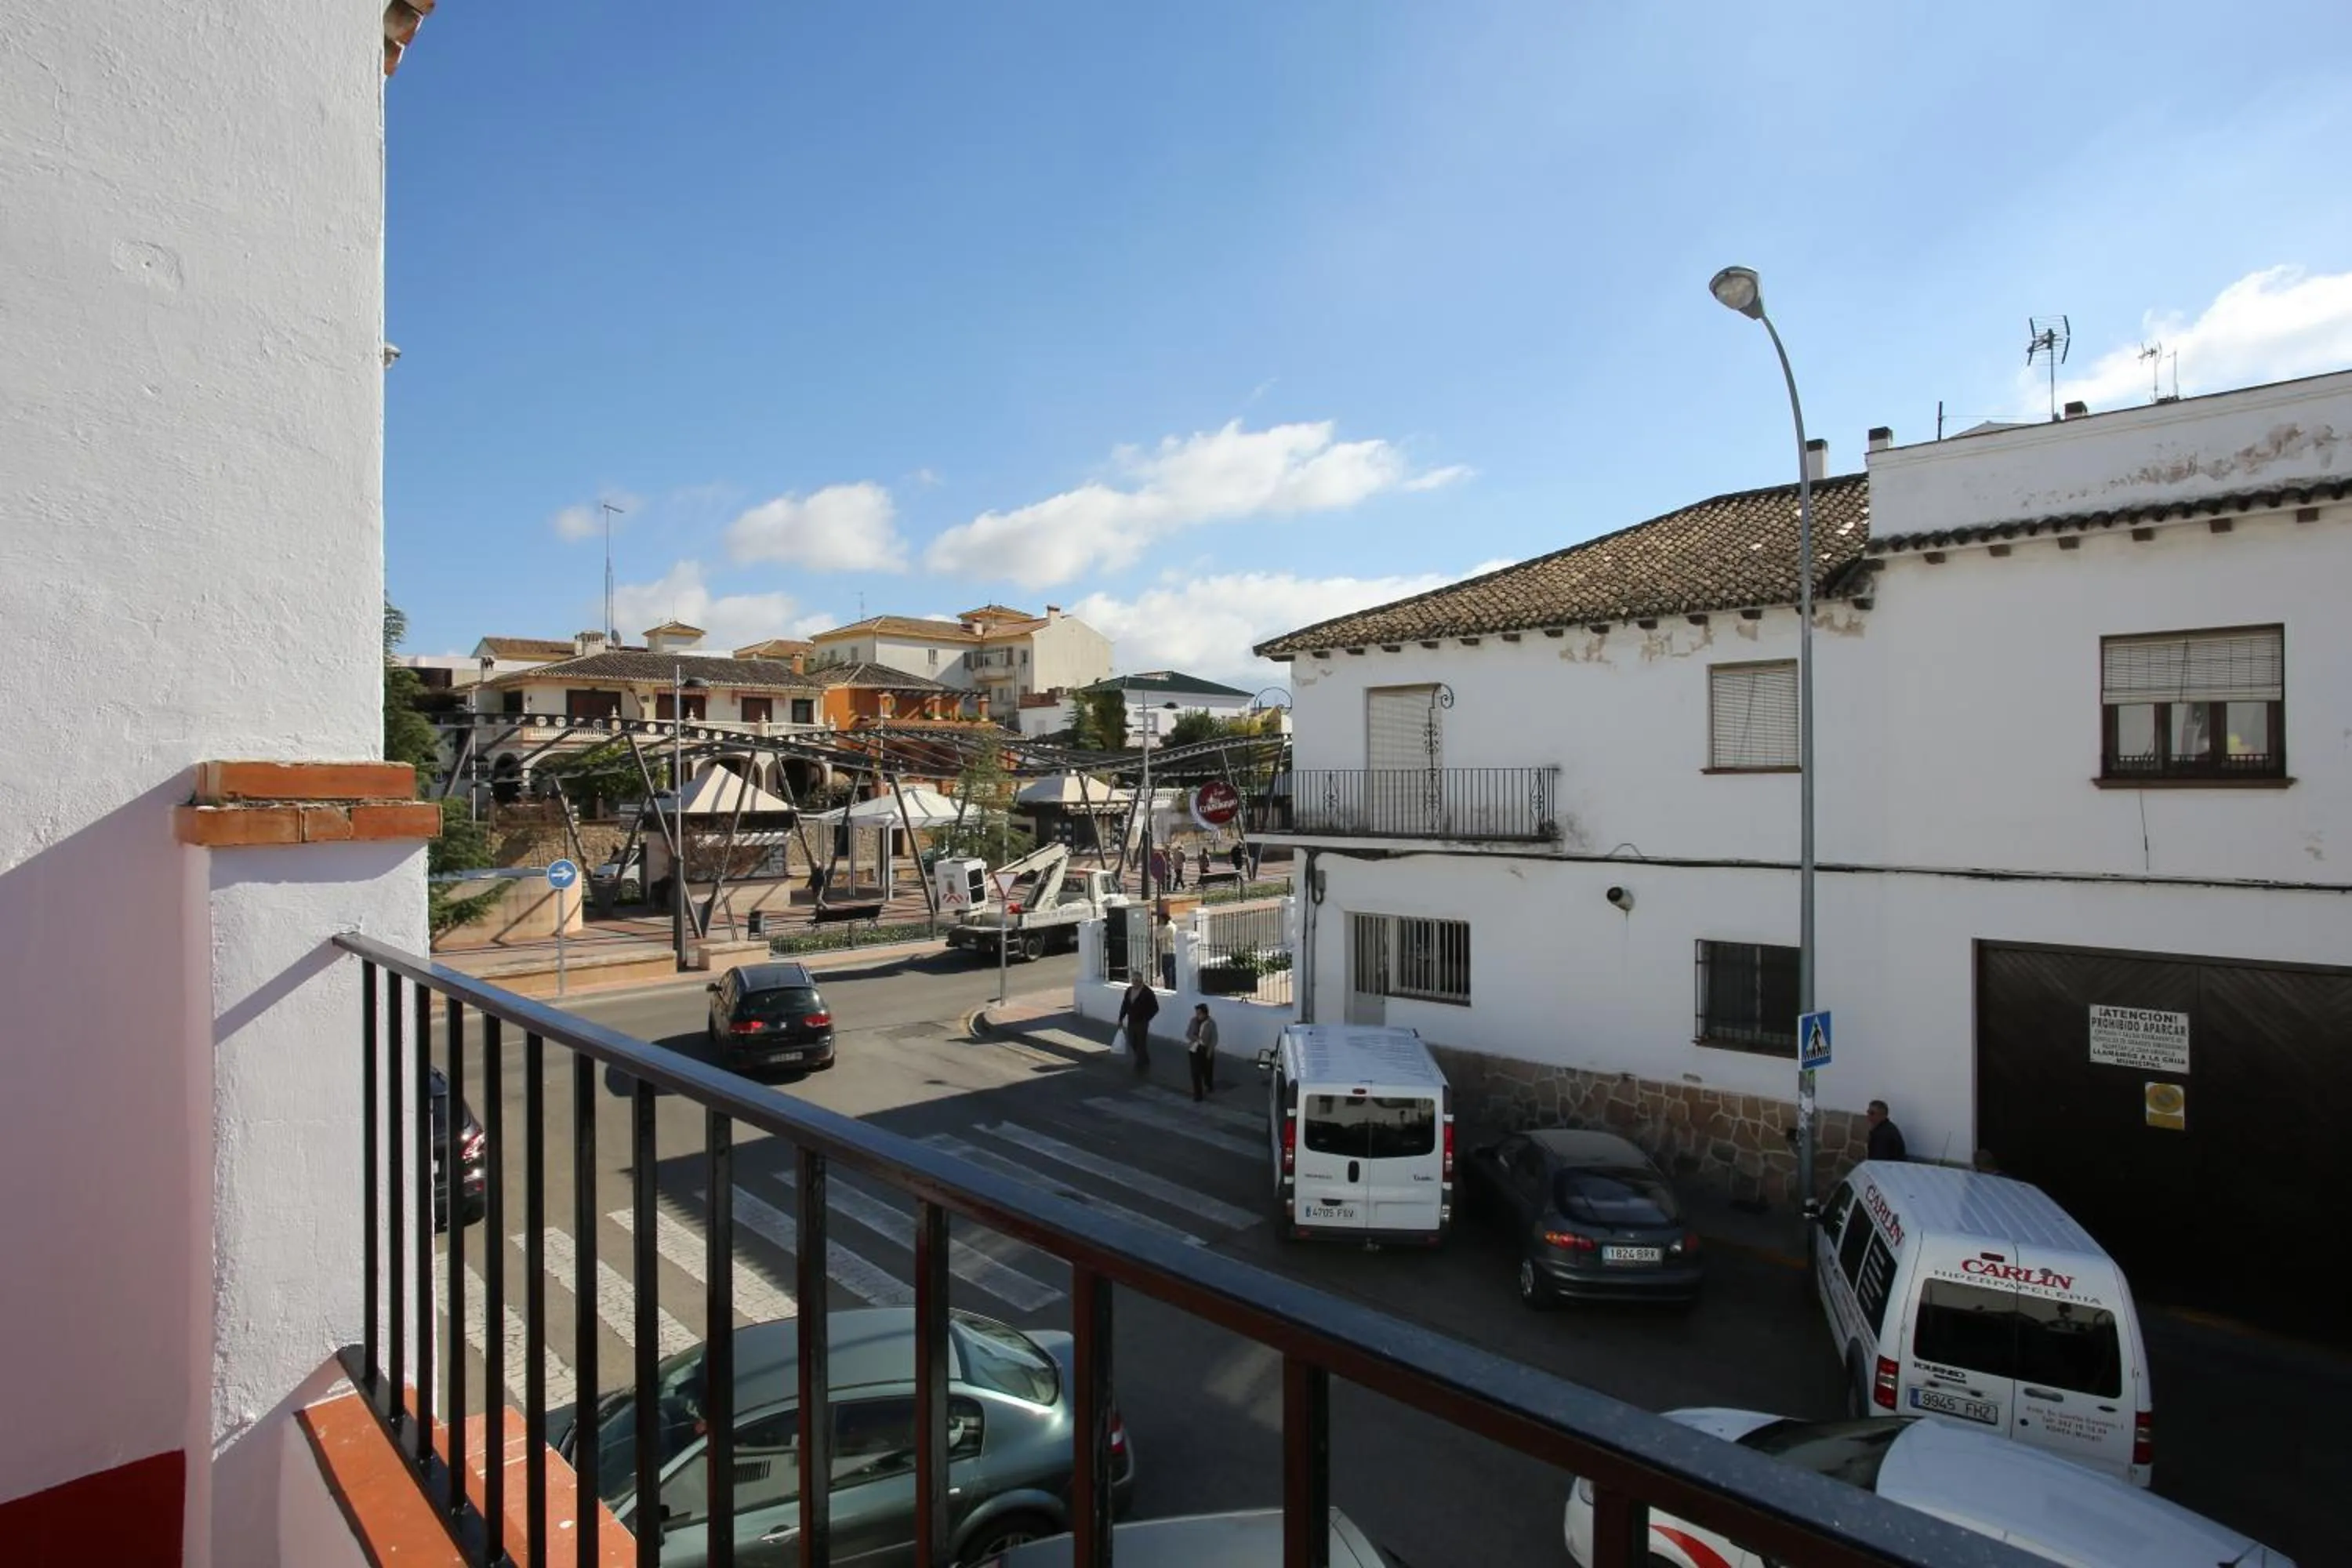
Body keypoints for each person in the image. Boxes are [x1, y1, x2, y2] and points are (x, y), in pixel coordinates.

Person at [1116, 973, 1159, 1075]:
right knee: (1132, 1041)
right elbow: (1125, 1005)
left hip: (1142, 1022)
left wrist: (1146, 1018)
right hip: (1131, 1021)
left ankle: (1139, 1063)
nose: (1135, 983)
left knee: (1141, 1042)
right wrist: (1121, 1018)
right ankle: (1144, 1058)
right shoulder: (1129, 991)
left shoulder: (1147, 992)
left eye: (1138, 981)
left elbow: (1155, 1008)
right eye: (1134, 980)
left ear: (1141, 981)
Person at [1185, 1004, 1220, 1101]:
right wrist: (1195, 1038)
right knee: (1195, 1072)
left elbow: (1214, 1039)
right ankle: (1198, 1094)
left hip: (1205, 1049)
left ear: (1205, 1014)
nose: (1197, 1015)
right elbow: (1188, 1033)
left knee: (1207, 1071)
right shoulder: (1193, 1021)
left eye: (1199, 1013)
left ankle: (1209, 1085)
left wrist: (1210, 1051)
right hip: (1194, 1049)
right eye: (1197, 1013)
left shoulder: (1211, 1023)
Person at [1865, 1099, 1907, 1163]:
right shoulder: (1883, 1128)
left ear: (1883, 1116)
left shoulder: (1883, 1134)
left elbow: (1878, 1160)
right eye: (1868, 1112)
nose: (1868, 1116)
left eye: (1872, 1113)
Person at [1154, 912, 1177, 989]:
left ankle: (1169, 988)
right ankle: (1173, 988)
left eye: (1161, 919)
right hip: (1172, 951)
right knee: (1172, 971)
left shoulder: (1168, 928)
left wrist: (1159, 927)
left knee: (1167, 972)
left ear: (1164, 919)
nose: (1160, 921)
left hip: (1167, 952)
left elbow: (1158, 936)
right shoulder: (1173, 926)